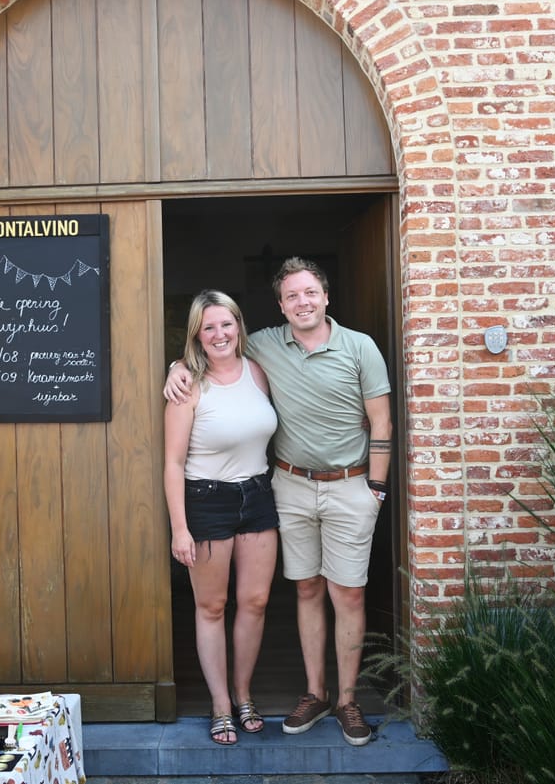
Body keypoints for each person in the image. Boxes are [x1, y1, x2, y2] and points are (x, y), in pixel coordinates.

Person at [165, 257, 392, 746]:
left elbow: (381, 420)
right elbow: (210, 359)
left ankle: (333, 700)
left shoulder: (334, 351)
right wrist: (176, 366)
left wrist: (376, 488)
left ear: (326, 295)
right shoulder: (250, 354)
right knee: (277, 594)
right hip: (258, 491)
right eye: (292, 296)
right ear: (281, 306)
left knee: (309, 597)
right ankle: (272, 699)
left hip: (304, 491)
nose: (302, 302)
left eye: (310, 292)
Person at [164, 289, 280, 746]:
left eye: (226, 324)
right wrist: (180, 528)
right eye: (208, 327)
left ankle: (243, 695)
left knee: (255, 602)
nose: (219, 334)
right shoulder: (187, 385)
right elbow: (173, 462)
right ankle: (219, 704)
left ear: (238, 326)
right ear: (197, 334)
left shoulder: (257, 372)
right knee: (211, 607)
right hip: (207, 500)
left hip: (258, 495)